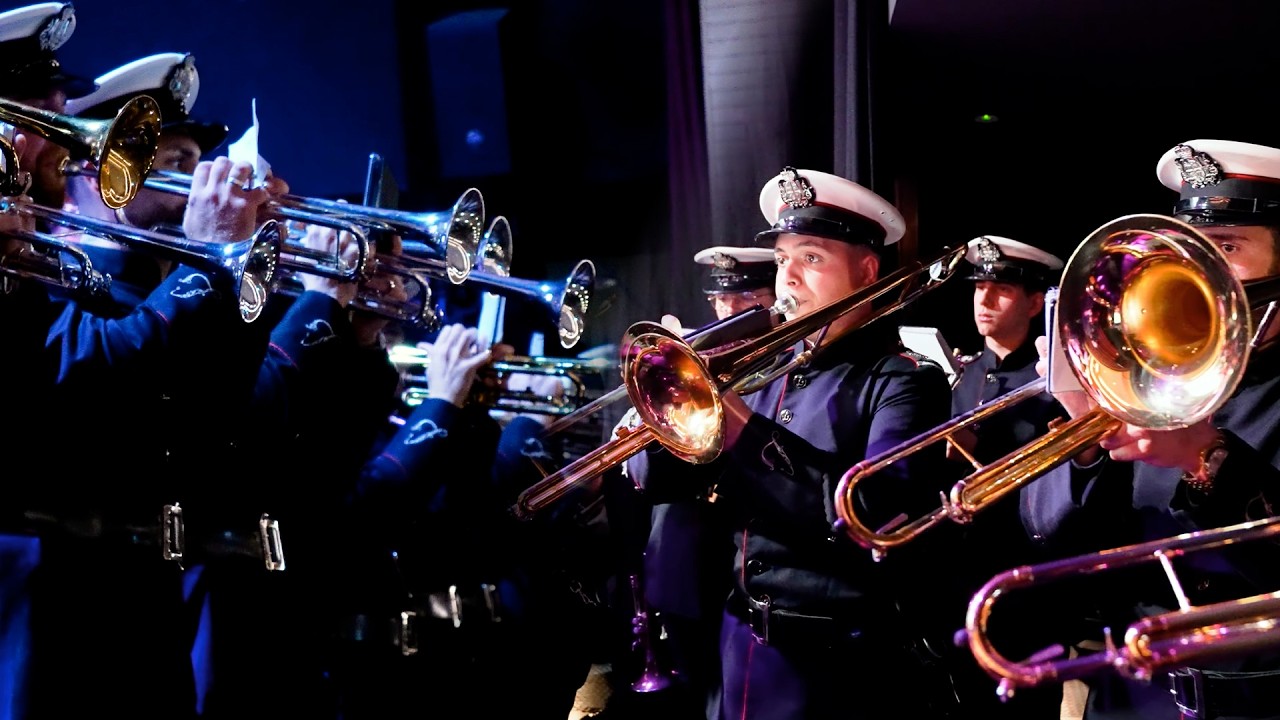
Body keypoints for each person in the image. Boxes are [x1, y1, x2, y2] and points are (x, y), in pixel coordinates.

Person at [640, 166, 958, 719]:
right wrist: (662, 417)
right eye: (783, 259)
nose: (788, 277)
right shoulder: (764, 370)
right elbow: (667, 485)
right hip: (739, 644)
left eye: (811, 258)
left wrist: (742, 428)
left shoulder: (903, 380)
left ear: (866, 272)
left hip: (836, 666)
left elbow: (872, 514)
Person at [1020, 139, 1280, 720]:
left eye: (1227, 247)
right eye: (1191, 251)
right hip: (1129, 696)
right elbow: (1048, 535)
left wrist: (1205, 455)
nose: (1204, 271)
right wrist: (1083, 437)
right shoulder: (1147, 372)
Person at [941, 235, 1069, 718]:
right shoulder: (966, 373)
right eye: (979, 289)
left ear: (1035, 304)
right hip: (961, 575)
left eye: (1002, 290)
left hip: (1026, 581)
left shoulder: (1056, 381)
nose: (985, 301)